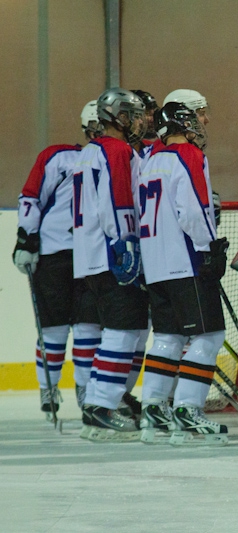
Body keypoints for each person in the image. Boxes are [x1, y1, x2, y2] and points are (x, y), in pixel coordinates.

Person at [136, 102, 229, 444]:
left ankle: (153, 411)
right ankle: (188, 411)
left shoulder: (149, 162)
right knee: (208, 337)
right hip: (185, 260)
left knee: (167, 338)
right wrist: (210, 247)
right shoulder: (187, 155)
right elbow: (192, 209)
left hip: (156, 264)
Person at [13, 100, 104, 419]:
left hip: (92, 255)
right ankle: (48, 387)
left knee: (88, 326)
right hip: (55, 253)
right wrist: (26, 237)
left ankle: (85, 389)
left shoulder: (117, 158)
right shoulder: (59, 156)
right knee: (54, 328)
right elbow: (31, 196)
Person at [73, 88, 150, 441]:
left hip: (88, 256)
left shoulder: (88, 152)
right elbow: (116, 200)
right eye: (132, 116)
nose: (137, 122)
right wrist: (127, 243)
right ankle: (100, 405)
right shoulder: (117, 150)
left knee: (121, 330)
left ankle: (105, 399)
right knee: (122, 331)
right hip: (110, 254)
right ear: (118, 117)